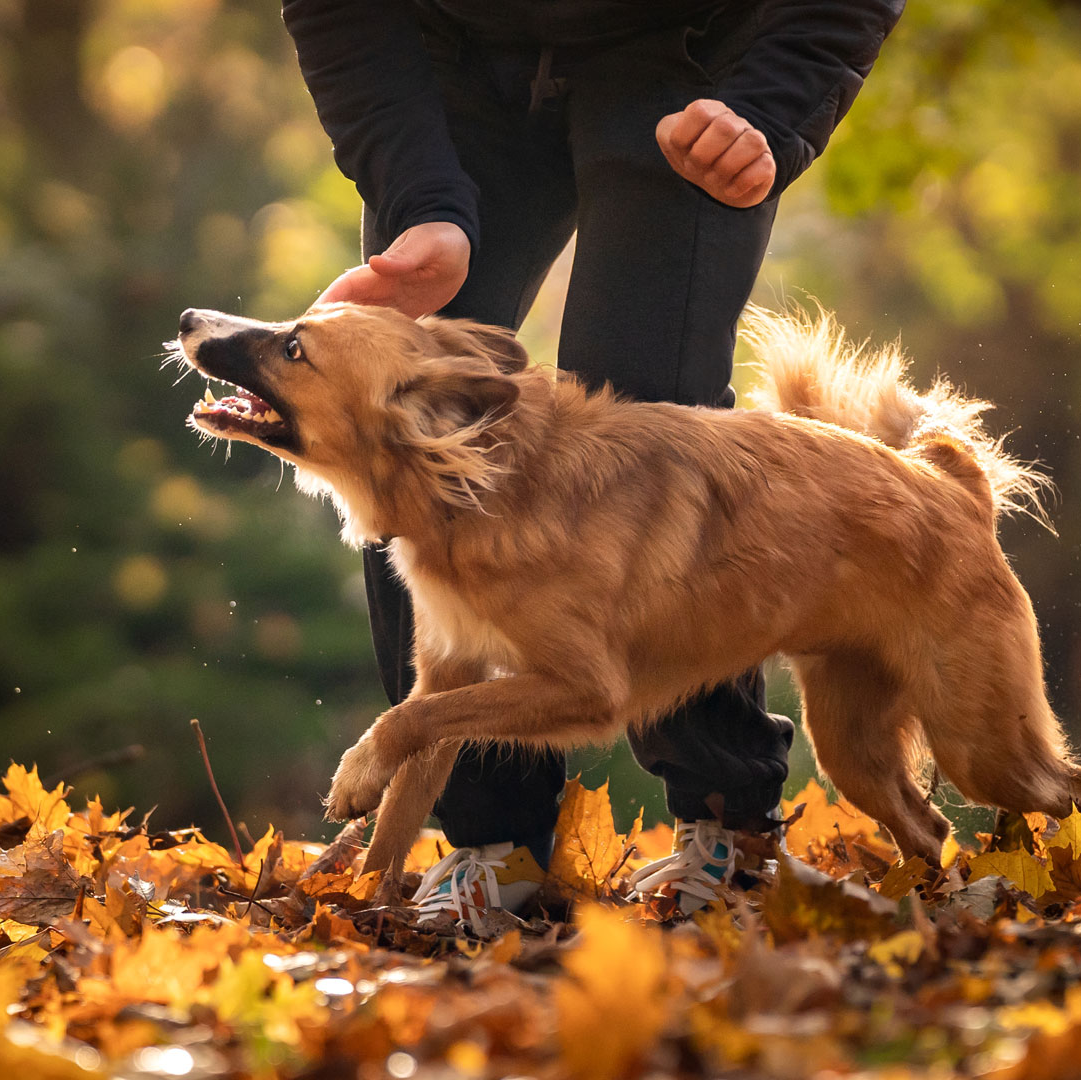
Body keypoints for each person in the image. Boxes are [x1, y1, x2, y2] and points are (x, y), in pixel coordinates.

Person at [282, 0, 904, 926]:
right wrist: (419, 201)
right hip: (452, 65)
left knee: (650, 420)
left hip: (688, 67)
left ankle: (727, 829)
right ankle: (493, 853)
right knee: (405, 441)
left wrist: (773, 110)